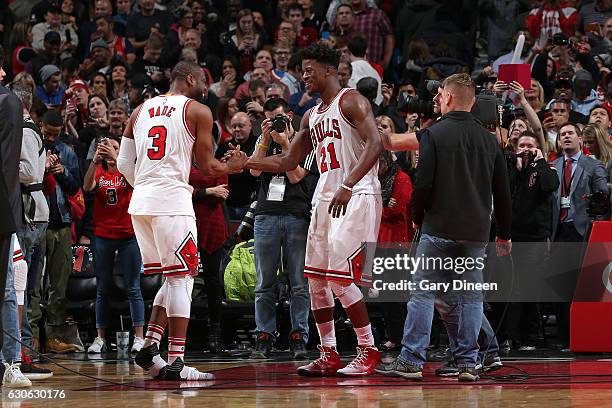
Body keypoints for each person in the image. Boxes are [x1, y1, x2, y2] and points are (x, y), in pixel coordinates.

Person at [247, 43, 384, 376]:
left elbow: (377, 144)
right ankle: (328, 353)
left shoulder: (351, 100)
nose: (304, 76)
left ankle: (368, 349)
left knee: (339, 279)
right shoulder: (310, 114)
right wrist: (244, 163)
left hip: (356, 193)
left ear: (328, 70)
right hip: (325, 196)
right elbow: (289, 160)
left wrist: (348, 184)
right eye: (302, 70)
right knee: (315, 281)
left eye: (309, 70)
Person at [377, 73, 512, 382]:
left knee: (423, 294)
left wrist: (417, 217)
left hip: (438, 227)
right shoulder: (490, 140)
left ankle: (411, 360)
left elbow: (423, 183)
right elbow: (502, 193)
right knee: (470, 297)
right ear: (474, 101)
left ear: (448, 97)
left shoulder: (434, 134)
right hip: (476, 232)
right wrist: (504, 233)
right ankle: (468, 363)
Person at [117, 61, 247, 381]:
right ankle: (177, 360)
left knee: (172, 278)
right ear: (189, 79)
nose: (205, 89)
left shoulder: (140, 110)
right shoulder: (198, 111)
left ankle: (149, 348)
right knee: (182, 279)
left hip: (142, 204)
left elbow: (122, 163)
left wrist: (148, 185)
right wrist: (234, 167)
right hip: (172, 203)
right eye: (203, 81)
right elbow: (207, 167)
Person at [249, 97, 318, 360]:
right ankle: (264, 334)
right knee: (264, 282)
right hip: (266, 215)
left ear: (290, 116)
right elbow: (253, 170)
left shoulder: (305, 142)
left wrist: (285, 144)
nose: (276, 124)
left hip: (296, 215)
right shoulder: (263, 143)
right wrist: (266, 141)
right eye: (269, 120)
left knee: (300, 283)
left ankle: (299, 335)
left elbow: (297, 175)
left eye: (279, 118)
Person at [550, 123, 609, 349]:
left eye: (570, 134)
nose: (566, 137)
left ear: (580, 139)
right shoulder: (553, 166)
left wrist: (596, 200)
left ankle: (586, 337)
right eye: (562, 134)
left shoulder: (592, 165)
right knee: (559, 287)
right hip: (558, 231)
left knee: (584, 287)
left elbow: (603, 194)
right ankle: (566, 339)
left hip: (582, 231)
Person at [83, 137, 145, 354]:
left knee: (133, 287)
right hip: (102, 235)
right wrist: (94, 161)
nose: (109, 150)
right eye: (106, 147)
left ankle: (139, 337)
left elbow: (137, 184)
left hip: (129, 234)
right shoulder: (99, 171)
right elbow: (87, 186)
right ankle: (99, 338)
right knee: (102, 288)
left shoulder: (128, 169)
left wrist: (116, 158)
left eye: (115, 147)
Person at [0, 45, 26, 382]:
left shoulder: (7, 103)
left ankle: (10, 361)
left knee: (7, 288)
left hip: (3, 213)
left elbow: (7, 166)